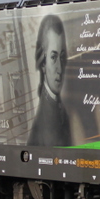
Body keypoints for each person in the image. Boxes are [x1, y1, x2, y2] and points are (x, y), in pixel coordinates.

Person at [28, 14, 72, 146]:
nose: (59, 68)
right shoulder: (45, 116)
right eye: (53, 58)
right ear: (43, 63)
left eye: (62, 57)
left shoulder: (58, 106)